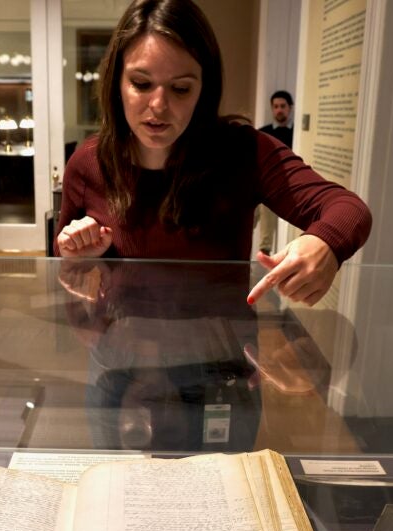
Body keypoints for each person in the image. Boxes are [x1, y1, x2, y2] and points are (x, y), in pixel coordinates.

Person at [54, 0, 371, 308]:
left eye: (180, 89)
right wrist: (77, 255)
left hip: (217, 353)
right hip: (118, 348)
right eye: (141, 83)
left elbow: (348, 208)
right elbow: (62, 263)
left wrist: (324, 243)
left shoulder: (242, 151)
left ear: (204, 89)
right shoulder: (88, 162)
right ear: (117, 83)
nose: (159, 106)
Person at [255, 89, 294, 254]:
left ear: (290, 107)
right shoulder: (263, 132)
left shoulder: (297, 133)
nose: (279, 110)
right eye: (276, 106)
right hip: (265, 181)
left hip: (288, 182)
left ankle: (265, 249)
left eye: (282, 106)